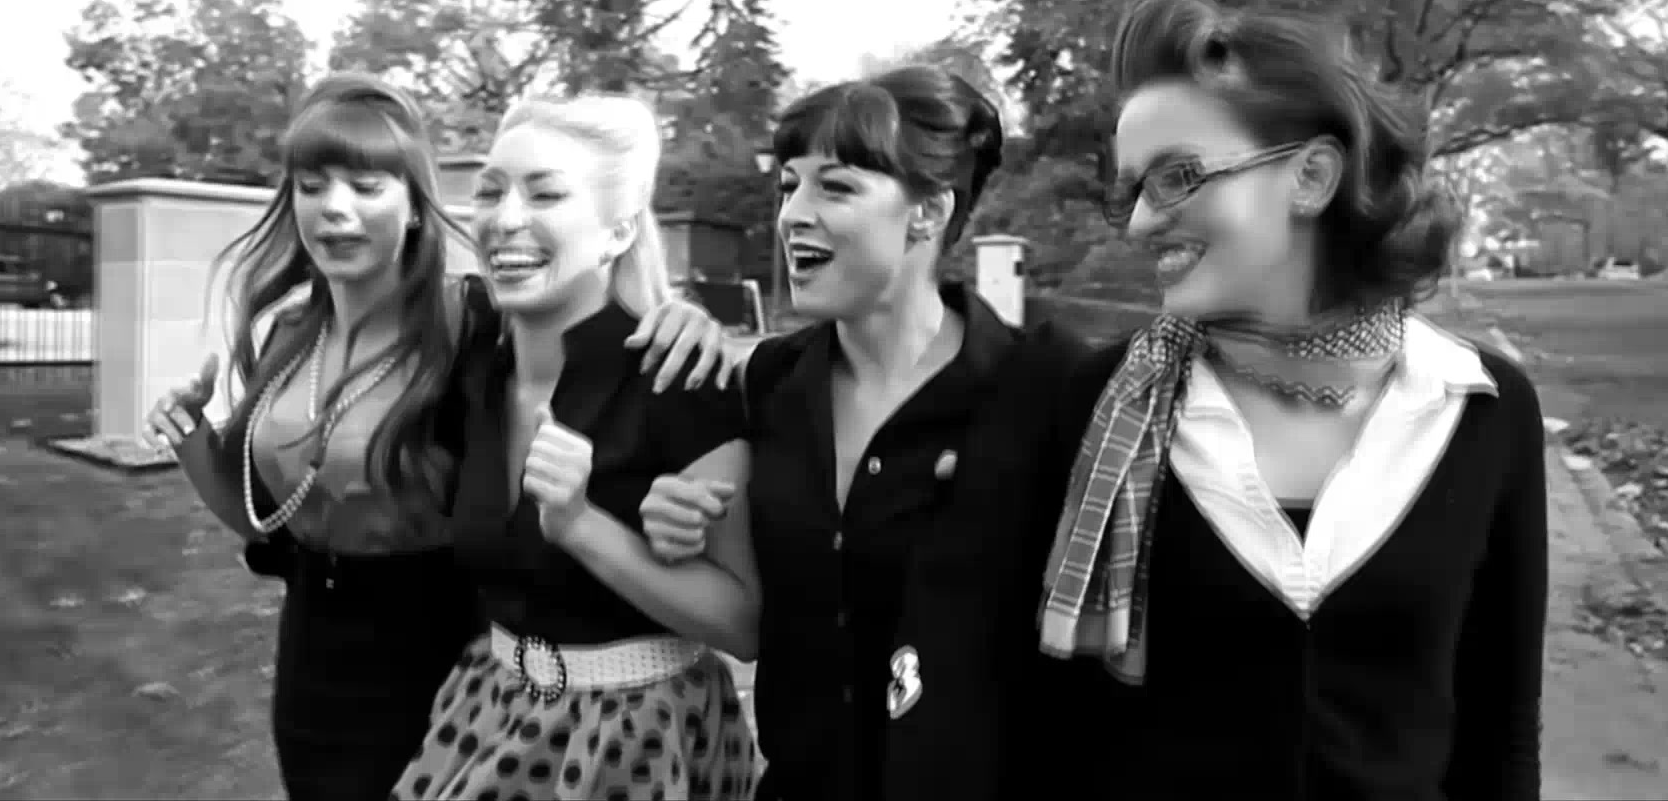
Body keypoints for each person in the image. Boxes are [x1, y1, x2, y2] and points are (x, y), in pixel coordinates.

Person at [142, 75, 740, 801]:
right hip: (321, 656)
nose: (335, 208)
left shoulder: (468, 325)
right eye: (311, 186)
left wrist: (679, 315)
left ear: (416, 206)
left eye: (367, 186)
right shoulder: (292, 335)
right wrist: (191, 439)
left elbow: (577, 309)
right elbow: (267, 514)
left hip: (438, 654)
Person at [1036, 0, 1548, 799]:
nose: (1138, 223)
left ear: (1310, 177)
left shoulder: (1483, 406)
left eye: (1175, 177)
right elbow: (1051, 723)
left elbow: (1500, 726)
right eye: (1131, 190)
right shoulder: (1103, 403)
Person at [640, 66, 1101, 801]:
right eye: (789, 185)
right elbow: (753, 611)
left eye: (835, 187)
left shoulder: (1048, 386)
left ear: (928, 211)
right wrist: (675, 524)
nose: (792, 214)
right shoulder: (770, 382)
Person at [392, 94, 759, 801]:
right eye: (491, 191)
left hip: (636, 742)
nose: (506, 218)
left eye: (546, 193)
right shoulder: (474, 368)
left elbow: (742, 623)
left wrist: (580, 526)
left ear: (619, 230)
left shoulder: (680, 379)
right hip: (489, 711)